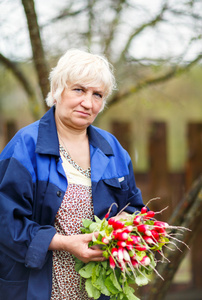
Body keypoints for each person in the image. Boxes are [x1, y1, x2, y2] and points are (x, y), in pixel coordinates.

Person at [0, 49, 144, 300]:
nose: (88, 103)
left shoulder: (113, 150)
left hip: (98, 289)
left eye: (97, 94)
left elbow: (133, 209)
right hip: (36, 288)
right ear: (57, 90)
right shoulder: (25, 145)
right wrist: (62, 243)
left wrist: (124, 226)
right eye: (79, 90)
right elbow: (5, 221)